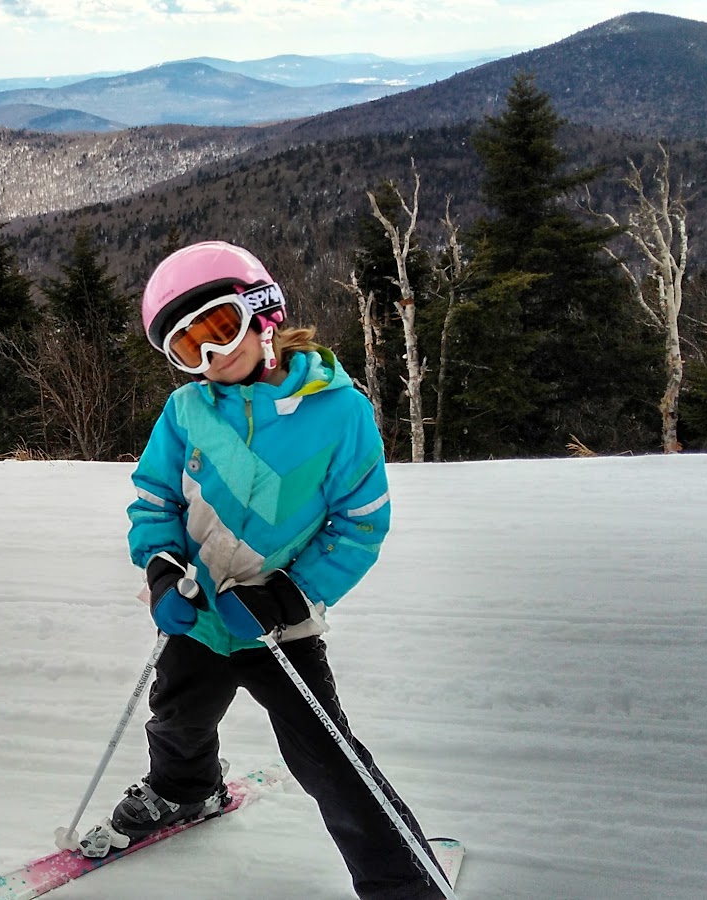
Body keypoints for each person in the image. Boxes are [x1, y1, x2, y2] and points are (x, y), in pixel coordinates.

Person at [109, 240, 446, 899]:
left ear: (264, 310)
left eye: (220, 327)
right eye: (188, 349)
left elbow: (360, 524)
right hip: (202, 614)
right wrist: (161, 568)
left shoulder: (339, 412)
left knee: (328, 760)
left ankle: (401, 883)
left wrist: (290, 597)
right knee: (175, 715)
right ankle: (186, 788)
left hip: (278, 626)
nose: (212, 356)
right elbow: (154, 499)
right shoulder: (187, 412)